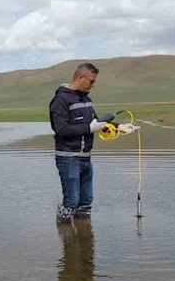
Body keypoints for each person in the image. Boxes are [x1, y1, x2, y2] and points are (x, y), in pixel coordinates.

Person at [48, 63, 139, 224]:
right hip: (68, 158)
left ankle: (85, 239)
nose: (93, 85)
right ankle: (66, 238)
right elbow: (61, 129)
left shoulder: (86, 100)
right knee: (71, 201)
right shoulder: (60, 101)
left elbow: (97, 123)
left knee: (86, 201)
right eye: (91, 81)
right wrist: (89, 128)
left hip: (85, 158)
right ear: (80, 77)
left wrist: (119, 127)